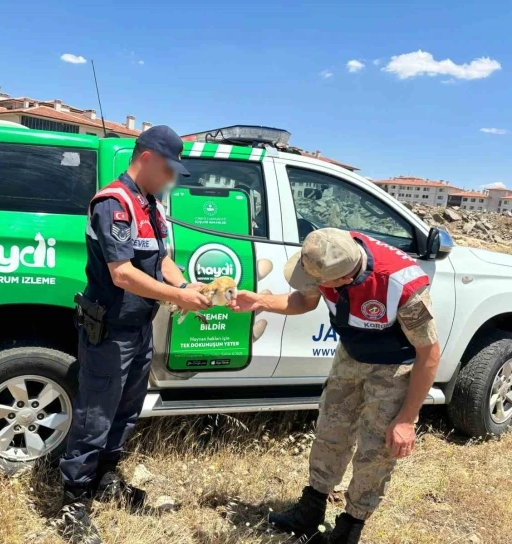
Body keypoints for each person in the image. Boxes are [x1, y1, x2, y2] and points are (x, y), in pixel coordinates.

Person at [229, 228, 441, 544]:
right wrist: (259, 301)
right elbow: (304, 300)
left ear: (343, 279)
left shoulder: (402, 286)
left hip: (394, 366)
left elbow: (429, 353)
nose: (311, 283)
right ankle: (310, 510)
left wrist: (406, 419)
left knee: (376, 450)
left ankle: (349, 528)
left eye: (318, 282)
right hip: (351, 354)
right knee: (331, 429)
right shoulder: (329, 252)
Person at [58, 125, 210, 543]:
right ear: (146, 158)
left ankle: (105, 477)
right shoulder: (114, 203)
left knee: (126, 411)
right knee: (95, 415)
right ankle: (73, 500)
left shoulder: (151, 205)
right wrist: (177, 296)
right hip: (110, 329)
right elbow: (122, 274)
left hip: (139, 326)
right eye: (168, 169)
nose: (171, 178)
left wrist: (185, 287)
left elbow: (162, 261)